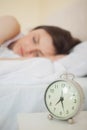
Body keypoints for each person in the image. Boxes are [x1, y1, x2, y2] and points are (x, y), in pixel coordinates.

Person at [0, 15, 81, 61]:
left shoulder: (22, 64)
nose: (29, 50)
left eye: (37, 55)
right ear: (32, 30)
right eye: (34, 40)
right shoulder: (11, 24)